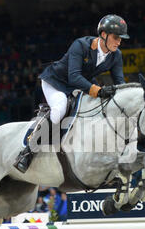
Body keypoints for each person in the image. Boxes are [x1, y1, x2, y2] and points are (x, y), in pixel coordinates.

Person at [14, 14, 129, 173]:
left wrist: (124, 95)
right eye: (116, 37)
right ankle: (27, 151)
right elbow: (73, 76)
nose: (119, 41)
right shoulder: (81, 45)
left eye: (121, 38)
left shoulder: (117, 55)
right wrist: (99, 90)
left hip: (81, 83)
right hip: (57, 82)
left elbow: (119, 81)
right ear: (103, 34)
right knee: (60, 109)